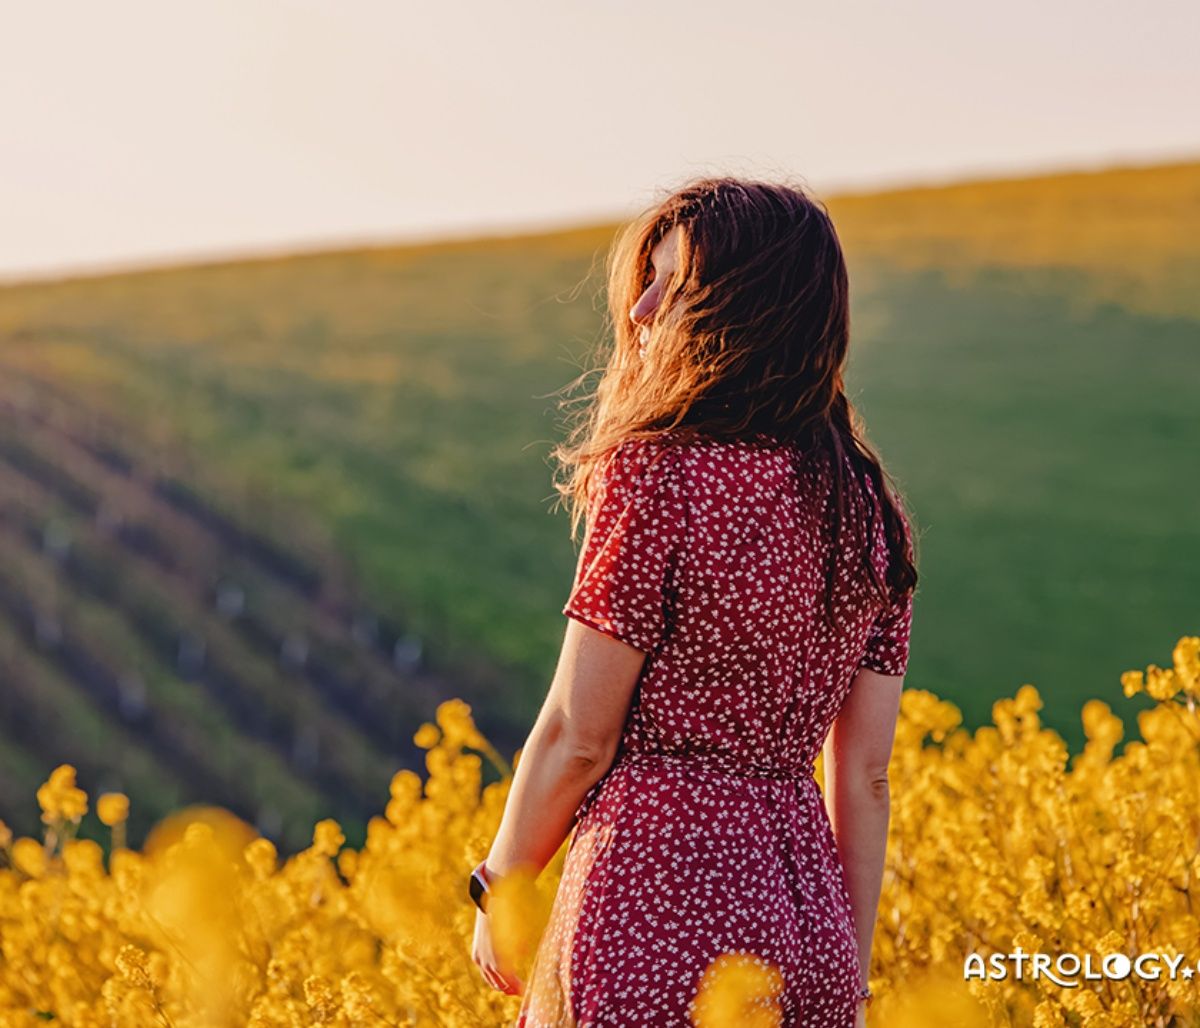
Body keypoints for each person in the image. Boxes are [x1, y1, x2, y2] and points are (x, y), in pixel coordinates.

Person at [470, 176, 918, 1027]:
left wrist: (501, 885)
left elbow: (578, 733)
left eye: (668, 286)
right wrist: (845, 978)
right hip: (809, 918)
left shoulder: (660, 473)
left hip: (653, 900)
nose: (639, 313)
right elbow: (864, 777)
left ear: (738, 309)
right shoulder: (870, 512)